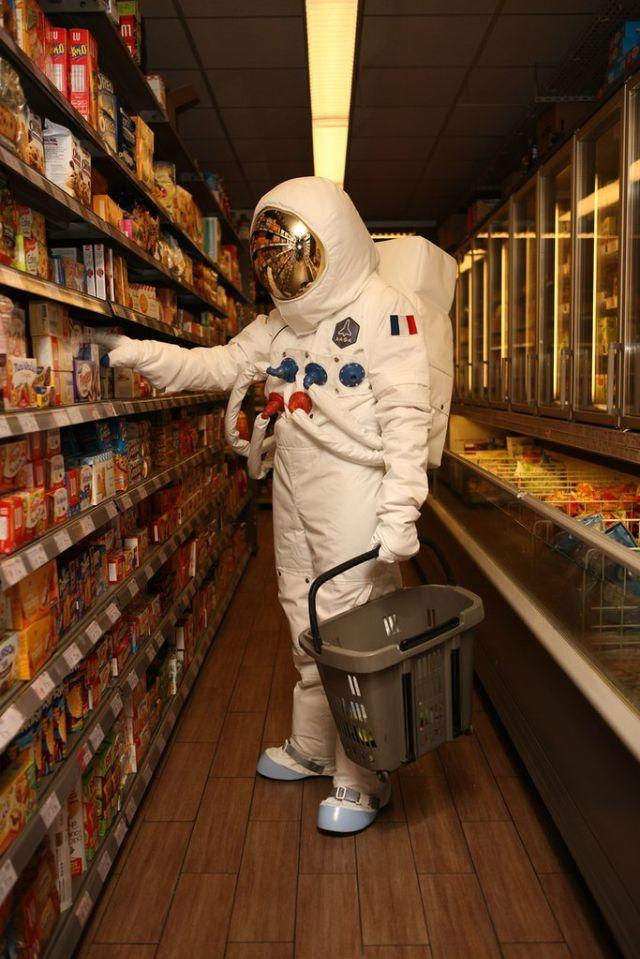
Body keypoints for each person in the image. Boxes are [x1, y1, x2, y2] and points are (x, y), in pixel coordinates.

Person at [95, 176, 454, 833]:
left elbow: (405, 416)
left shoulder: (386, 309)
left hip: (355, 486)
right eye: (271, 262)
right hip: (293, 482)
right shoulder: (278, 325)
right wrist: (134, 353)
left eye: (291, 258)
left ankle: (364, 775)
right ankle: (315, 746)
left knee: (350, 626)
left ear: (332, 243)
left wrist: (401, 511)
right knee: (302, 612)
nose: (281, 275)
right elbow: (219, 365)